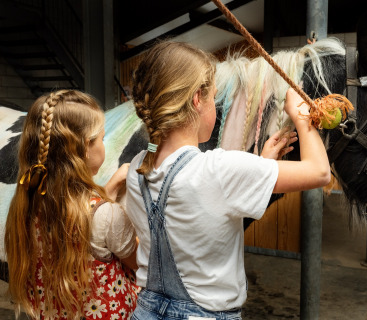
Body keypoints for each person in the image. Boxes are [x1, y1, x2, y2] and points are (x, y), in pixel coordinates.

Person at [125, 41, 331, 319]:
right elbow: (320, 171)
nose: (214, 104)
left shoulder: (137, 167)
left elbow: (204, 196)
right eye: (214, 98)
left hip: (146, 311)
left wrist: (262, 163)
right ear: (197, 99)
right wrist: (302, 117)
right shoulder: (220, 169)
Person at [4, 90, 139, 320]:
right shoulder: (105, 214)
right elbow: (139, 261)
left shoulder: (26, 204)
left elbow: (76, 219)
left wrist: (111, 188)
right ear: (86, 147)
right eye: (102, 139)